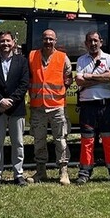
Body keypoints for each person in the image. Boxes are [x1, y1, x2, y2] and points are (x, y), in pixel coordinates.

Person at [0, 31, 30, 188]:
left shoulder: (22, 61)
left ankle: (18, 174)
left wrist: (12, 101)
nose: (5, 44)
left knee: (18, 143)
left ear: (14, 42)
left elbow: (24, 84)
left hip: (16, 108)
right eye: (2, 41)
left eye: (8, 41)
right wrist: (0, 100)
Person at [74, 30, 110, 184]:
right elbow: (79, 81)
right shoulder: (81, 60)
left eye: (95, 40)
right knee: (87, 140)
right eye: (90, 41)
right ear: (86, 43)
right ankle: (85, 172)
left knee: (109, 139)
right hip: (87, 107)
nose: (93, 44)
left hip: (105, 106)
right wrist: (101, 78)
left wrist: (89, 76)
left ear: (101, 41)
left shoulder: (109, 58)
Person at [28, 29, 73, 185]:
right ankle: (41, 172)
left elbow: (68, 77)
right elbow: (28, 77)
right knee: (38, 140)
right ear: (42, 39)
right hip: (37, 106)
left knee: (61, 139)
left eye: (51, 39)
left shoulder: (62, 57)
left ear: (56, 41)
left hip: (57, 106)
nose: (48, 41)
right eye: (45, 38)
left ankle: (63, 172)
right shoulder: (32, 56)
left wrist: (59, 91)